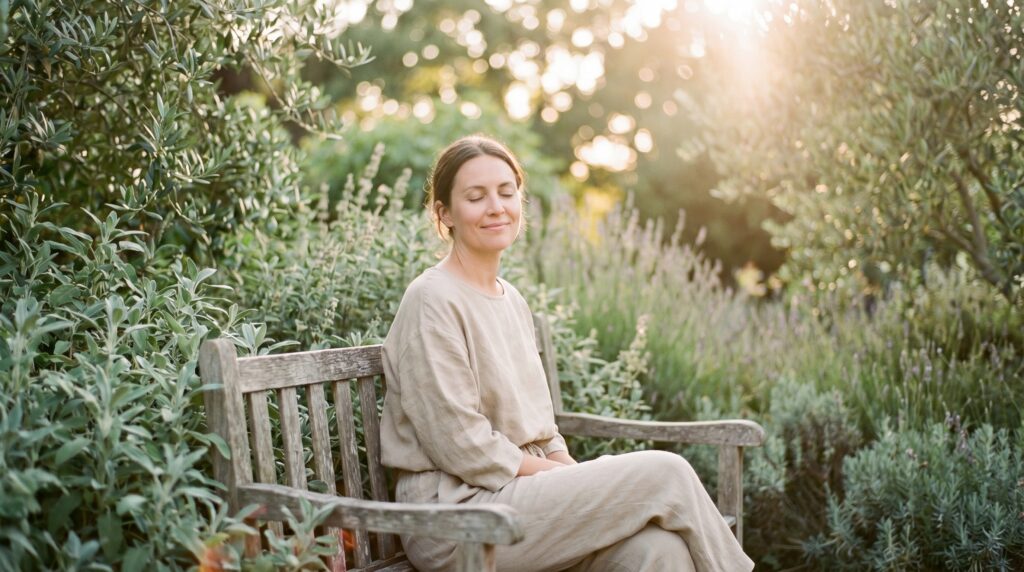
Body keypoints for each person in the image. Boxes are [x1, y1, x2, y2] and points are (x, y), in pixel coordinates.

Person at [379, 135, 754, 572]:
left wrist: (571, 478)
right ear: (445, 214)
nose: (496, 206)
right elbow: (463, 447)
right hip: (457, 517)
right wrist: (566, 480)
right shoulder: (432, 299)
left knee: (657, 552)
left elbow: (543, 430)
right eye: (476, 197)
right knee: (666, 473)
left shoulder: (512, 300)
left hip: (520, 502)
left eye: (506, 191)